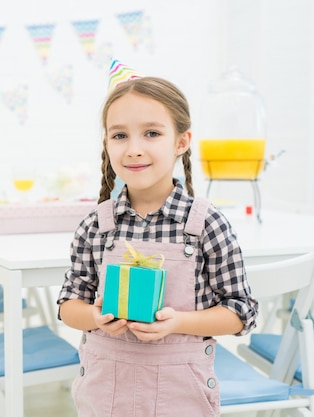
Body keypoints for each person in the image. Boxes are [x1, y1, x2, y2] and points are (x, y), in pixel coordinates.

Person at [57, 71, 259, 416]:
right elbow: (67, 306)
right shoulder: (96, 225)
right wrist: (93, 315)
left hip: (181, 398)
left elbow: (241, 313)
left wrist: (177, 322)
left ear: (181, 142)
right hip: (104, 397)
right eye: (120, 135)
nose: (134, 149)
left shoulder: (206, 224)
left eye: (152, 133)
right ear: (106, 143)